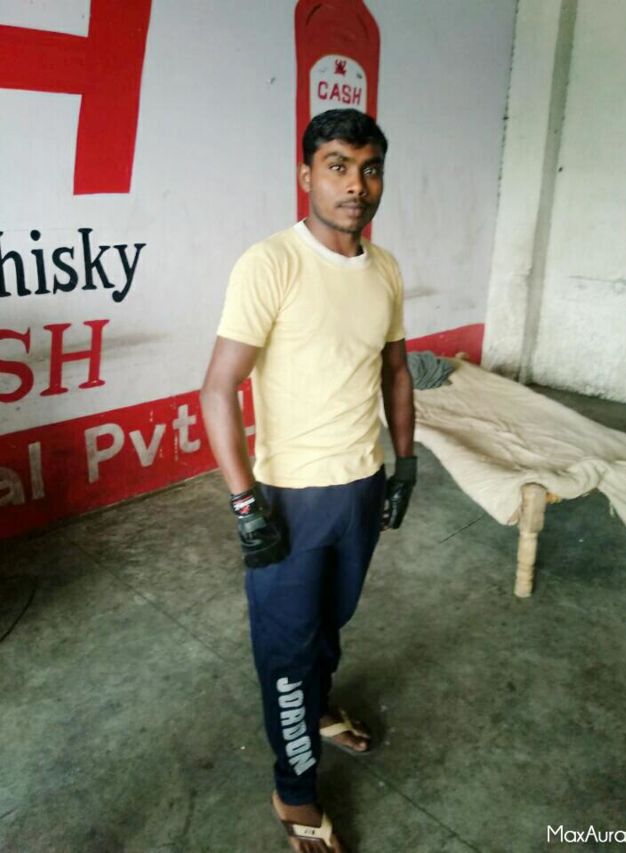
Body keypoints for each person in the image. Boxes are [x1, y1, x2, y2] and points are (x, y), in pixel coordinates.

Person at [200, 108, 416, 852]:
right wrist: (244, 503)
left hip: (361, 485)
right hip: (288, 498)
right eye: (337, 167)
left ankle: (319, 708)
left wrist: (405, 460)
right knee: (287, 652)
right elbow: (217, 388)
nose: (356, 185)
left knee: (331, 621)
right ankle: (294, 792)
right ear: (306, 175)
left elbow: (395, 371)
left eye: (369, 168)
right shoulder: (270, 264)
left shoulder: (385, 268)